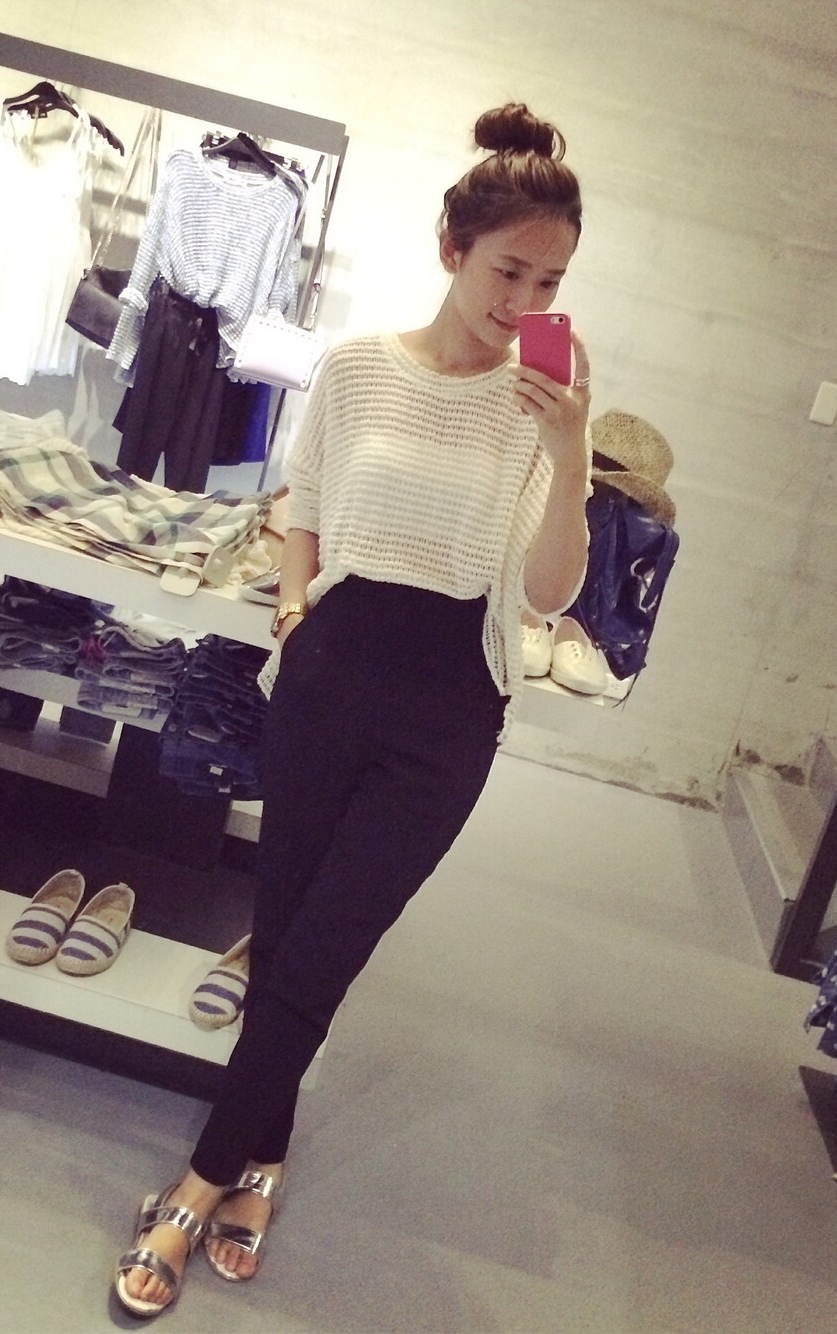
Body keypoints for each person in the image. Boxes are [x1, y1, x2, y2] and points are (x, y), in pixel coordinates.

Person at [114, 99, 592, 1317]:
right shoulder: (358, 368)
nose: (524, 300)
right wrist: (291, 606)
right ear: (451, 248)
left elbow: (547, 590)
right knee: (282, 928)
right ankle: (262, 1158)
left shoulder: (541, 407)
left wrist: (574, 450)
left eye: (548, 282)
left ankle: (196, 1179)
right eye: (507, 270)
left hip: (450, 705)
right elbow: (308, 498)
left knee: (328, 945)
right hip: (329, 670)